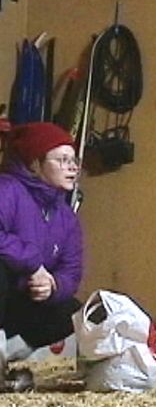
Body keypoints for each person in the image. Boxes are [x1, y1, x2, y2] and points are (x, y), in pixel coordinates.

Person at [0, 122, 83, 387]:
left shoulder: (66, 216)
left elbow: (71, 271)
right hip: (5, 292)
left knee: (72, 312)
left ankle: (6, 355)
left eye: (74, 160)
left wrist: (53, 285)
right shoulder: (8, 189)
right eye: (62, 160)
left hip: (26, 302)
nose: (72, 167)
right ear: (36, 164)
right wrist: (33, 264)